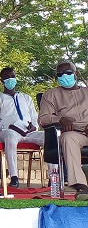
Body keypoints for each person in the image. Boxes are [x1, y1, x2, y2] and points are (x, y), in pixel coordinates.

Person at [38, 61, 88, 200]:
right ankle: (81, 186)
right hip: (74, 133)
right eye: (60, 74)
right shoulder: (51, 95)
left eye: (68, 73)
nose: (64, 76)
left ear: (76, 73)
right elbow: (43, 119)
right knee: (68, 138)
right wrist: (60, 119)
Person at [0, 67, 43, 188]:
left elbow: (34, 116)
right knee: (11, 136)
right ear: (2, 80)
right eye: (7, 77)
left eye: (12, 76)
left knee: (50, 137)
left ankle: (53, 178)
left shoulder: (26, 97)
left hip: (28, 132)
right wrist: (8, 127)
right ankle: (14, 177)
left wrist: (34, 126)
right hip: (9, 132)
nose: (10, 79)